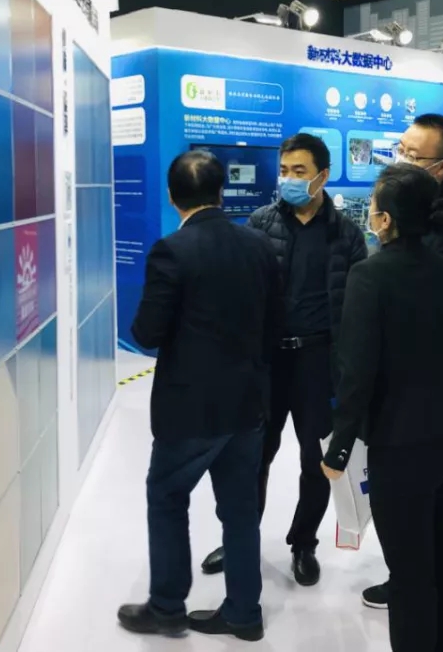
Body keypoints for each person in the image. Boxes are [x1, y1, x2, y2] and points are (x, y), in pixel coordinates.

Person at [321, 164, 443, 652]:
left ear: (385, 220)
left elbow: (357, 369)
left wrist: (338, 448)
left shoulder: (369, 275)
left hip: (401, 441)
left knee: (411, 572)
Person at [119, 151, 282, 642]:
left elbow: (147, 333)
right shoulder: (258, 246)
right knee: (240, 511)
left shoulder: (172, 251)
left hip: (190, 410)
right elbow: (275, 323)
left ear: (172, 197)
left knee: (168, 497)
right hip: (248, 404)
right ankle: (244, 613)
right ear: (221, 192)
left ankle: (167, 607)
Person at [201, 133, 367, 586]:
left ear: (322, 176)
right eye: (284, 170)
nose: (289, 179)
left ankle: (304, 543)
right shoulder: (260, 222)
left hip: (319, 363)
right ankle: (240, 539)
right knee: (252, 455)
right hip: (267, 361)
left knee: (316, 461)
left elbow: (358, 309)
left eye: (300, 171)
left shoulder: (347, 235)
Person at [361, 114, 443, 609]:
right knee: (409, 519)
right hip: (397, 389)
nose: (401, 160)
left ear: (441, 167)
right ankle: (411, 581)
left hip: (431, 392)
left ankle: (425, 598)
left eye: (413, 156)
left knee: (442, 519)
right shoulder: (401, 211)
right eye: (401, 149)